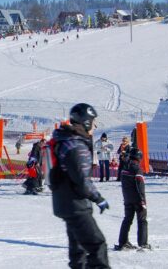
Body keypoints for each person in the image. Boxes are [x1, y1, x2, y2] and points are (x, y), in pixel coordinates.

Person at [50, 103, 110, 269]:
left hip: (66, 202)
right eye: (93, 121)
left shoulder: (66, 140)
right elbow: (82, 180)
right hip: (76, 204)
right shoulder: (77, 146)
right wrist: (98, 198)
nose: (94, 126)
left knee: (79, 252)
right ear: (86, 122)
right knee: (97, 246)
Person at [115, 148, 150, 251]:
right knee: (142, 220)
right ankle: (143, 243)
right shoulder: (137, 169)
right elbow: (140, 186)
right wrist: (142, 200)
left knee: (127, 220)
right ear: (139, 158)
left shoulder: (124, 168)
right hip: (138, 199)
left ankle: (122, 242)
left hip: (127, 198)